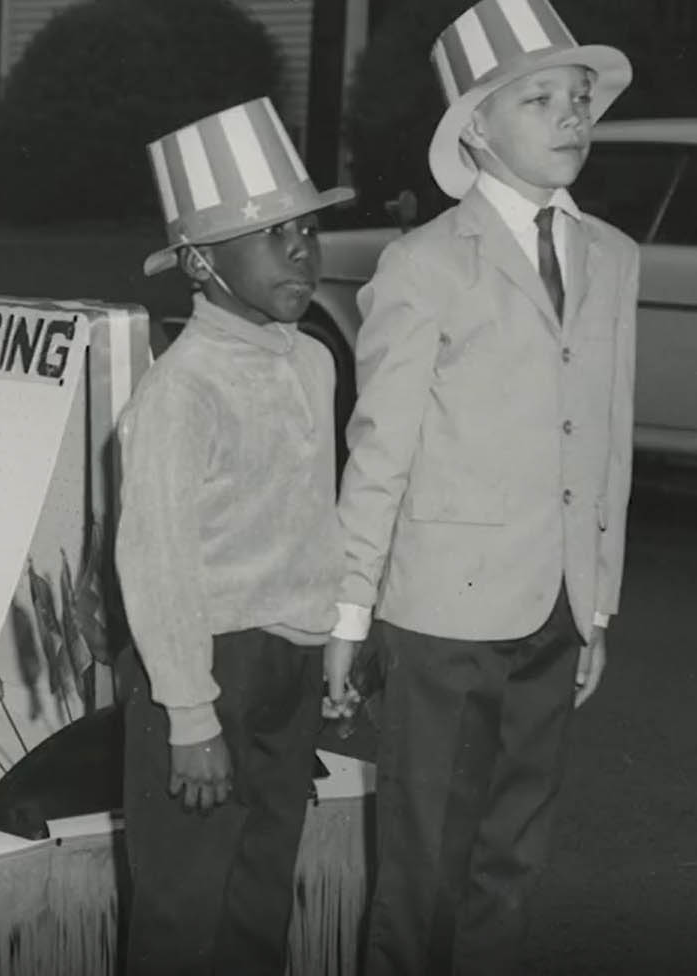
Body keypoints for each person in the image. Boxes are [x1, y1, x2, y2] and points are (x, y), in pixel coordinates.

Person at [322, 1, 637, 971]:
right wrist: (348, 615)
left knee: (512, 860)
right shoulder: (424, 267)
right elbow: (380, 450)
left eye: (578, 97)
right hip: (445, 614)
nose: (570, 115)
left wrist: (598, 604)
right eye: (539, 98)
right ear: (475, 128)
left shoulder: (612, 258)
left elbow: (609, 442)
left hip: (553, 605)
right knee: (425, 868)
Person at [113, 97, 352, 975]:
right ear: (203, 265)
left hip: (286, 662)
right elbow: (157, 559)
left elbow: (312, 518)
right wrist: (189, 715)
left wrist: (330, 633)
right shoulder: (182, 391)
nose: (302, 250)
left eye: (307, 230)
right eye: (272, 234)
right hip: (202, 667)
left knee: (260, 896)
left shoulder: (316, 360)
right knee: (185, 910)